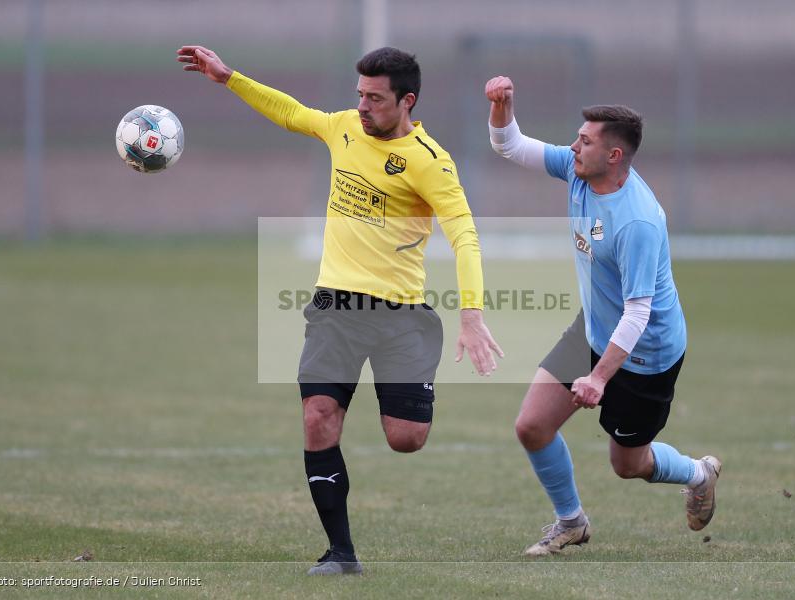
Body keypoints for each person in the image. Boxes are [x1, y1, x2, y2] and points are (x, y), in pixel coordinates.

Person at [177, 45, 503, 575]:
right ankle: (341, 552)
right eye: (360, 95)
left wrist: (472, 315)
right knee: (318, 418)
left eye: (375, 99)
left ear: (407, 101)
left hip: (401, 314)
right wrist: (228, 77)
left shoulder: (429, 162)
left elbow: (464, 236)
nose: (363, 107)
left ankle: (421, 371)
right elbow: (291, 112)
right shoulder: (344, 128)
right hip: (334, 307)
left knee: (406, 439)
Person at [485, 75, 721, 555]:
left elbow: (638, 314)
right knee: (531, 426)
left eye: (585, 141)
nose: (573, 146)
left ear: (613, 156)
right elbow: (511, 146)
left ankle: (699, 473)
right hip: (594, 326)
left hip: (644, 353)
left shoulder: (636, 221)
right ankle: (571, 522)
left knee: (628, 464)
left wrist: (597, 378)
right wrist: (502, 107)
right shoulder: (578, 171)